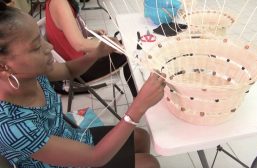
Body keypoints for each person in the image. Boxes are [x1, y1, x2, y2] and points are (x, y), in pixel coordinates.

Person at [0, 2, 165, 167]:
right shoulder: (11, 124)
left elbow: (67, 69)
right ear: (3, 66)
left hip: (69, 136)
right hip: (58, 163)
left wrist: (96, 53)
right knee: (149, 164)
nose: (49, 47)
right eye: (36, 46)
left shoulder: (32, 73)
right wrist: (138, 107)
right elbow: (95, 157)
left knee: (141, 137)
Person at [45, 0, 138, 97]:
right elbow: (80, 45)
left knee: (126, 47)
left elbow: (69, 30)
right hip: (77, 71)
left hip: (76, 63)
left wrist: (93, 32)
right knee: (130, 51)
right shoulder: (60, 3)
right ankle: (138, 98)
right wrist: (113, 45)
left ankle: (138, 96)